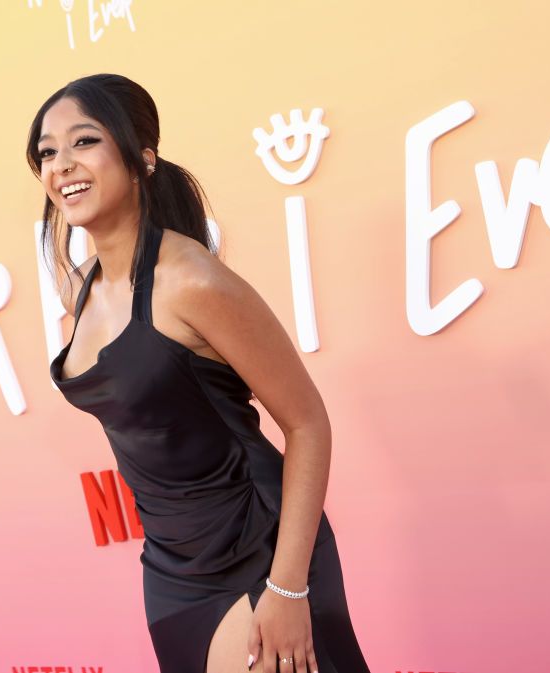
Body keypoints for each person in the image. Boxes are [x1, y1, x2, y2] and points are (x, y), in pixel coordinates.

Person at [25, 74, 370, 673]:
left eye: (84, 141)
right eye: (47, 152)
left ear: (142, 158)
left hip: (256, 555)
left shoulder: (192, 281)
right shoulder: (81, 290)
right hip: (169, 569)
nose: (63, 165)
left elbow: (308, 424)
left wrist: (288, 588)